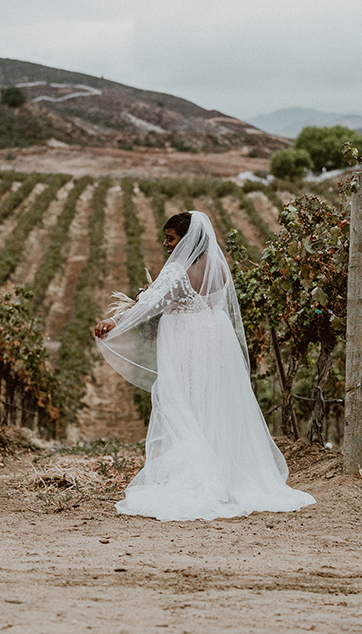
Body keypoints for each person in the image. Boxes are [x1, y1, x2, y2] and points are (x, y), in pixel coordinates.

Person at [95, 211, 315, 521]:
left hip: (184, 342)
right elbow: (206, 303)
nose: (165, 243)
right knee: (214, 404)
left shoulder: (176, 272)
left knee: (180, 402)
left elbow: (149, 306)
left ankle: (195, 477)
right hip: (214, 340)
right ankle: (226, 475)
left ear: (186, 239)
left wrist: (114, 321)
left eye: (171, 238)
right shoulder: (218, 268)